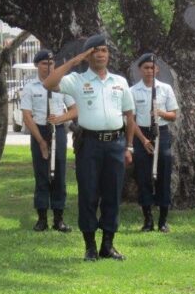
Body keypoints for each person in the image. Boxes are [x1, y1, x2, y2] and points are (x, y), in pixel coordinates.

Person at [43, 34, 135, 261]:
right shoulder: (76, 79)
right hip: (89, 145)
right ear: (88, 55)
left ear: (109, 55)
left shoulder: (119, 82)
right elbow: (49, 82)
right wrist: (75, 60)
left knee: (113, 195)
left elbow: (130, 115)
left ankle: (108, 245)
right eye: (95, 51)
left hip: (115, 143)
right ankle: (90, 247)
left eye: (104, 50)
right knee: (88, 194)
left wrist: (129, 147)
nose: (101, 54)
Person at [20, 49, 78, 232]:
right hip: (40, 129)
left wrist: (60, 119)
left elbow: (75, 110)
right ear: (37, 65)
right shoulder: (30, 87)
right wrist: (40, 141)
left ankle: (58, 219)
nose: (49, 66)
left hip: (58, 129)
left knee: (59, 174)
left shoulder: (62, 84)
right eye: (44, 63)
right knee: (41, 175)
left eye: (51, 63)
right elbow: (27, 116)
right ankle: (42, 218)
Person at [130, 53, 178, 232]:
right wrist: (142, 140)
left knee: (164, 174)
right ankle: (147, 220)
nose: (149, 71)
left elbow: (173, 115)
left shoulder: (165, 89)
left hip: (162, 133)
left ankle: (163, 220)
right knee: (143, 176)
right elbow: (131, 120)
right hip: (142, 133)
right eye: (146, 68)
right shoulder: (133, 91)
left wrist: (161, 113)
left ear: (157, 69)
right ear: (140, 70)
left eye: (152, 67)